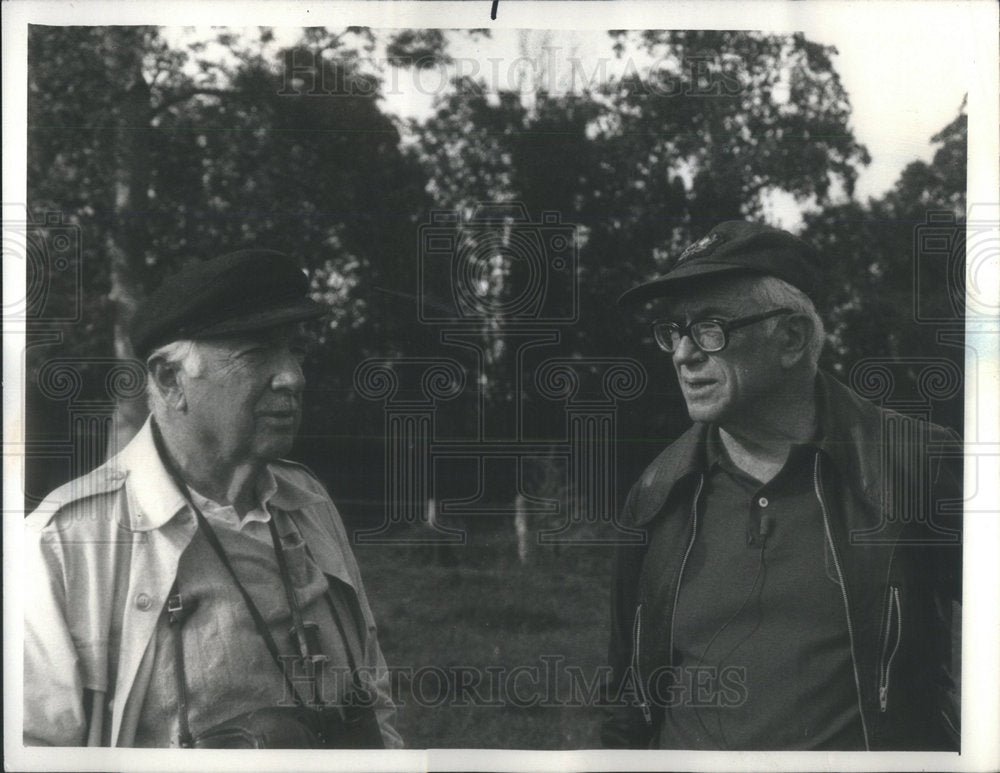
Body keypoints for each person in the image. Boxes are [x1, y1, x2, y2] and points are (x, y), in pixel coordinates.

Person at [602, 221, 962, 751]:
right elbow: (627, 702)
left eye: (710, 327)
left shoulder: (917, 465)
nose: (683, 354)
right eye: (674, 330)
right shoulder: (656, 492)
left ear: (791, 338)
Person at [24, 249, 402, 749]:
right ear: (170, 380)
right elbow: (35, 753)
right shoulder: (67, 541)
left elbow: (373, 699)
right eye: (256, 353)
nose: (293, 377)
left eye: (296, 351)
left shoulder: (308, 501)